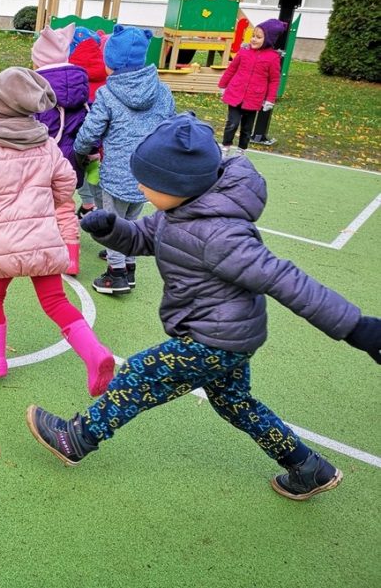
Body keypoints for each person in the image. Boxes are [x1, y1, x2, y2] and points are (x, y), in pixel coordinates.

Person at [26, 113, 381, 500]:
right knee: (235, 403)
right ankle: (307, 467)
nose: (140, 187)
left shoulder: (221, 235)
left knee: (142, 373)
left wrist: (357, 328)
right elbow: (144, 237)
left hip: (213, 338)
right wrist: (112, 229)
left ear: (181, 185)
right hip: (226, 333)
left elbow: (286, 280)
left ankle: (76, 438)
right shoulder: (180, 208)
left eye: (149, 182)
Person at [0, 67, 115, 396]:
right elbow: (66, 184)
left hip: (0, 244)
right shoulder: (46, 145)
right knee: (54, 301)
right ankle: (94, 353)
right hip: (42, 239)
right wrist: (40, 201)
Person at [73, 25, 176, 295]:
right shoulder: (162, 91)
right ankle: (128, 266)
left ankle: (115, 274)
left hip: (117, 171)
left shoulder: (108, 94)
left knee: (112, 222)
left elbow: (91, 130)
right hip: (149, 172)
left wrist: (80, 150)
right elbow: (170, 126)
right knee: (131, 220)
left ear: (111, 62)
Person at [31, 25, 89, 276]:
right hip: (72, 156)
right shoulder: (78, 84)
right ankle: (71, 256)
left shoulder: (38, 87)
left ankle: (41, 247)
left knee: (37, 204)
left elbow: (34, 124)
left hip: (43, 157)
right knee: (64, 205)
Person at [218, 18, 286, 156]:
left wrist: (270, 99)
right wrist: (223, 85)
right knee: (232, 123)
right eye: (253, 36)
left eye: (259, 37)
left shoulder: (273, 58)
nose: (254, 39)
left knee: (247, 128)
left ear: (268, 39)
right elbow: (232, 69)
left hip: (254, 98)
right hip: (235, 93)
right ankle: (225, 147)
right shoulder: (244, 52)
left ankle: (241, 151)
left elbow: (274, 80)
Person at [67, 29, 108, 219]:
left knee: (77, 176)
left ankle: (88, 204)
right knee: (95, 177)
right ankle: (98, 208)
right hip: (100, 145)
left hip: (76, 142)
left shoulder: (70, 79)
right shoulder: (106, 78)